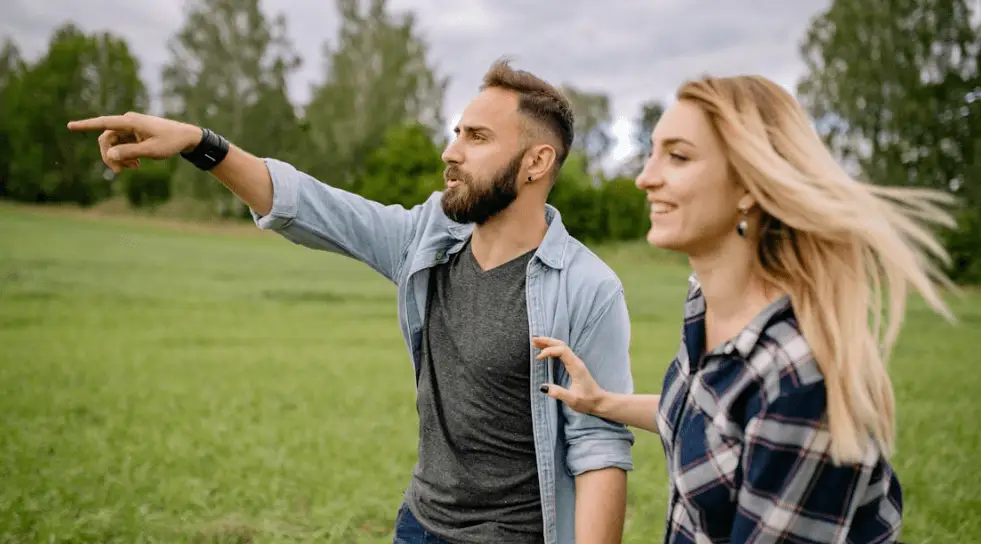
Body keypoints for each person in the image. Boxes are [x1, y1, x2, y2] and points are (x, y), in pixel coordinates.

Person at [67, 59, 636, 544]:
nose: (450, 151)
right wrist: (200, 144)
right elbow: (311, 206)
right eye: (456, 132)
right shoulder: (427, 240)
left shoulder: (587, 287)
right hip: (418, 525)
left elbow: (600, 447)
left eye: (476, 137)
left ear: (537, 162)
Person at [533, 74, 956, 543]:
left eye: (678, 156)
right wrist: (604, 404)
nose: (646, 177)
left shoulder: (798, 377)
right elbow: (713, 419)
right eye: (652, 153)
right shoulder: (706, 308)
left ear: (748, 186)